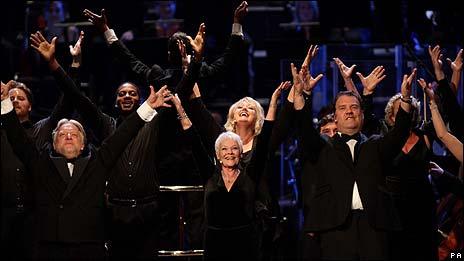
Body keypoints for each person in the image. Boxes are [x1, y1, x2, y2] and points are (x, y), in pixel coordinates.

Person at [1, 69, 171, 258]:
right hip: (49, 247)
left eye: (73, 134)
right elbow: (18, 140)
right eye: (62, 134)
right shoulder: (40, 163)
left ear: (83, 144)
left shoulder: (97, 162)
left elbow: (123, 135)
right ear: (53, 143)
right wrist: (4, 103)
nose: (68, 136)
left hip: (89, 247)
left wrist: (147, 107)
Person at [294, 53, 415, 259]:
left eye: (354, 107)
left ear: (361, 114)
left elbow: (400, 133)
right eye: (342, 108)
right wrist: (303, 94)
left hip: (374, 225)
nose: (349, 111)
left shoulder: (375, 144)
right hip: (335, 226)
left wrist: (404, 99)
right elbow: (304, 130)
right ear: (336, 116)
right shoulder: (324, 145)